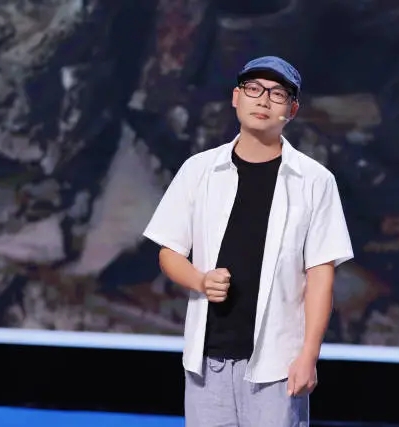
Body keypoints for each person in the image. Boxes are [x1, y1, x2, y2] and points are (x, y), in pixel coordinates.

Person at [142, 56, 354, 427]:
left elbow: (321, 275)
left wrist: (309, 355)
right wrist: (200, 280)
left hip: (277, 365)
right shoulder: (200, 170)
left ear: (292, 109)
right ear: (236, 97)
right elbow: (169, 250)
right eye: (254, 89)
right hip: (207, 363)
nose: (263, 100)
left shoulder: (314, 181)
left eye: (277, 93)